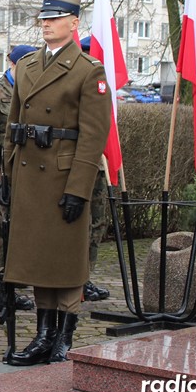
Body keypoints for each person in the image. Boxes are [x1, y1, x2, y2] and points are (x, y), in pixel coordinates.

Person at [3, 0, 111, 366]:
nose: (46, 23)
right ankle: (43, 334)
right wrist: (7, 173)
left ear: (73, 23)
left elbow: (94, 134)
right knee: (37, 259)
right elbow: (13, 124)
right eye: (43, 18)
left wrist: (79, 189)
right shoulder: (29, 64)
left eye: (55, 17)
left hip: (63, 176)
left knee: (64, 261)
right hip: (30, 173)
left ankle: (63, 336)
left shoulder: (88, 69)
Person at [0, 44, 36, 313]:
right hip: (0, 169)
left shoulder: (32, 91)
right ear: (12, 64)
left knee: (18, 229)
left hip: (25, 170)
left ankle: (12, 284)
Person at [78, 36, 110, 302]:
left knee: (97, 223)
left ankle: (86, 277)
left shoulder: (100, 84)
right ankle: (74, 278)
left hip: (100, 164)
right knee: (80, 224)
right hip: (80, 164)